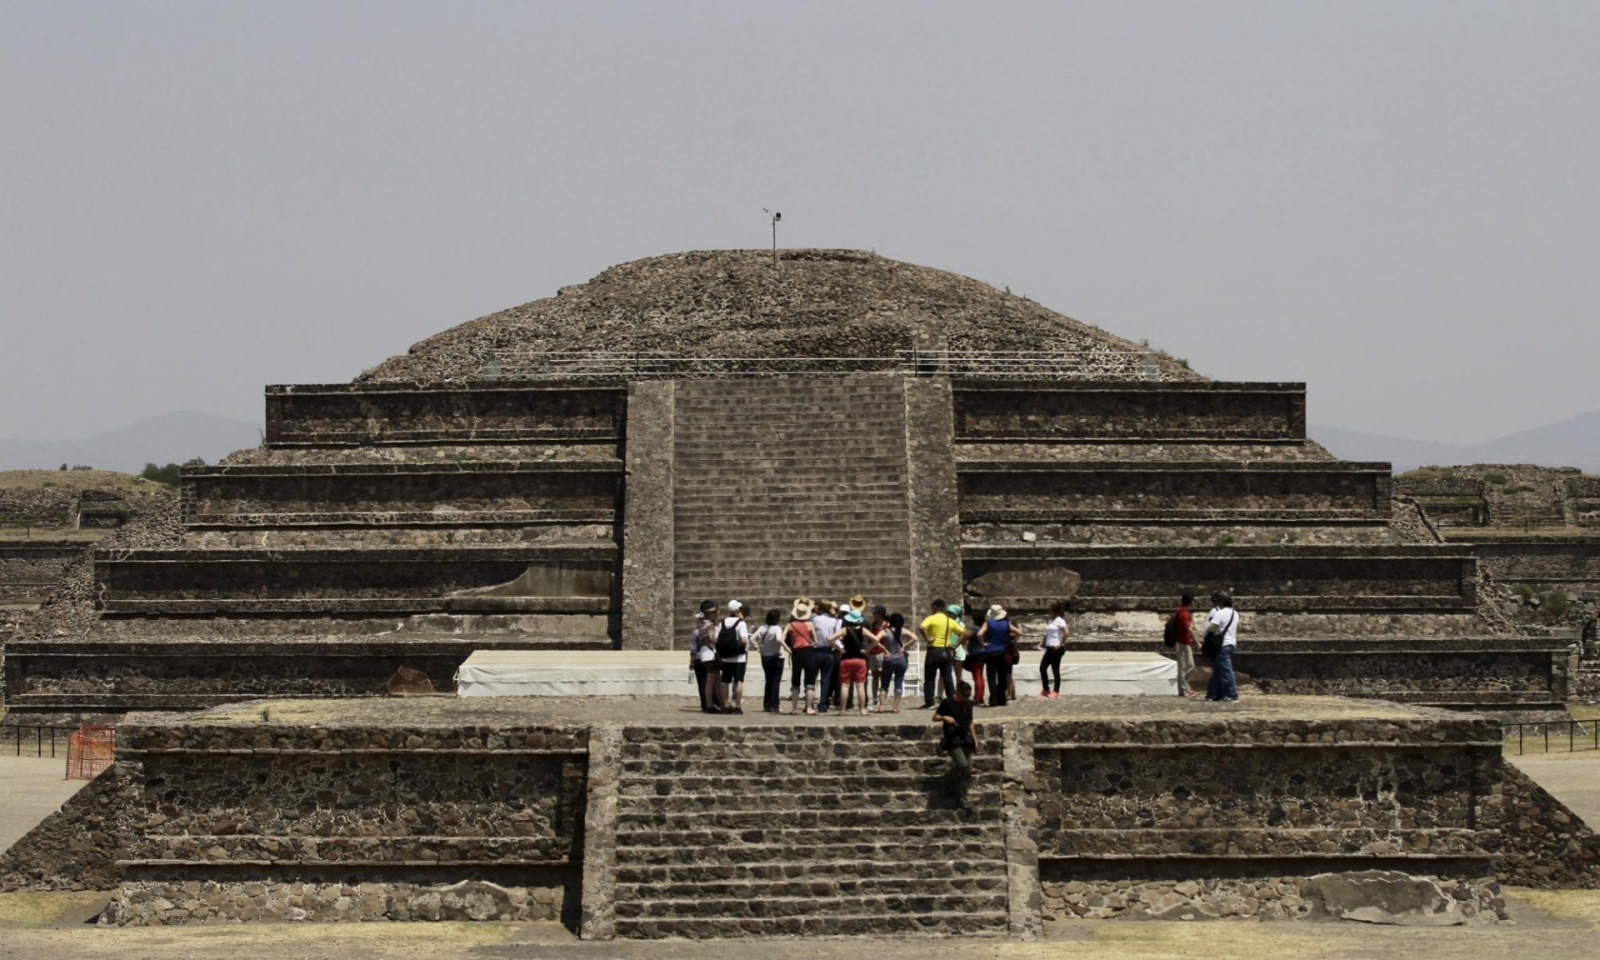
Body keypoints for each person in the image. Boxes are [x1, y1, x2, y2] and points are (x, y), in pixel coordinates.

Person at [933, 680, 978, 813]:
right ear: (958, 693)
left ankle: (962, 796)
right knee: (962, 765)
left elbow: (970, 722)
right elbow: (934, 717)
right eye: (964, 695)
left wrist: (975, 738)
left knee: (968, 770)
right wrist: (944, 718)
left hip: (965, 739)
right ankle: (947, 780)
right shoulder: (947, 703)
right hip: (952, 739)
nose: (966, 698)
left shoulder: (969, 704)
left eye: (968, 696)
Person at [919, 598, 960, 709]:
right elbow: (964, 633)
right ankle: (952, 701)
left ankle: (929, 702)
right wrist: (956, 645)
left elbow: (921, 627)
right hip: (946, 650)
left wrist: (927, 639)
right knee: (948, 677)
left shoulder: (931, 618)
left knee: (930, 678)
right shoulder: (949, 620)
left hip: (933, 650)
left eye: (932, 606)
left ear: (936, 607)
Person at [1204, 591, 1241, 702]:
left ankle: (1232, 694)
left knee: (1226, 671)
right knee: (1218, 670)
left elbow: (1211, 628)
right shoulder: (1235, 613)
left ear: (1222, 602)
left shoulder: (1220, 613)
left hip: (1222, 644)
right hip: (1231, 643)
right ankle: (1213, 693)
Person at [785, 598, 819, 714]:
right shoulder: (809, 624)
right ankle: (809, 707)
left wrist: (788, 649)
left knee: (795, 680)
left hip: (796, 652)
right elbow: (816, 640)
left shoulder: (790, 625)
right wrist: (812, 644)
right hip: (808, 651)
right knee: (809, 681)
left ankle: (794, 708)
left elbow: (781, 640)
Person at [715, 600, 750, 714]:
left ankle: (724, 706)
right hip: (739, 657)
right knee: (739, 680)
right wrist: (738, 647)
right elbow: (744, 639)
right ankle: (737, 706)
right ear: (738, 610)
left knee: (725, 681)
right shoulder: (741, 623)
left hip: (725, 656)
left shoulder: (722, 622)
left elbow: (717, 639)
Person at [976, 604, 1012, 707]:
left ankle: (993, 700)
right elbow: (1019, 632)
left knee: (991, 677)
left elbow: (979, 634)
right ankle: (1002, 699)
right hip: (1003, 651)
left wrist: (983, 644)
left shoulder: (988, 623)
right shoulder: (1006, 624)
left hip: (991, 651)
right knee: (1002, 676)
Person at [811, 600, 842, 716]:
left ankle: (809, 703)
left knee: (812, 678)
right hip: (829, 651)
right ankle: (823, 703)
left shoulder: (815, 620)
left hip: (817, 650)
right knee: (826, 679)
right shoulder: (835, 621)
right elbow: (836, 638)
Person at [689, 599, 719, 713]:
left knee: (702, 683)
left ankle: (705, 704)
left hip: (697, 658)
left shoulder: (697, 630)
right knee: (711, 681)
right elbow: (713, 640)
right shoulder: (710, 627)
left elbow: (693, 648)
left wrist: (691, 662)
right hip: (708, 657)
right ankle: (712, 703)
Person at [839, 609, 870, 716]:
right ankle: (862, 709)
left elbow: (830, 638)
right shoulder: (863, 630)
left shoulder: (845, 630)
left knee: (845, 685)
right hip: (860, 659)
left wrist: (839, 649)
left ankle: (842, 710)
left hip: (846, 659)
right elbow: (875, 639)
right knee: (860, 685)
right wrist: (867, 649)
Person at [876, 612, 910, 712]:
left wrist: (884, 649)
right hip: (900, 658)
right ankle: (895, 707)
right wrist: (904, 647)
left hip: (889, 658)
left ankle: (881, 706)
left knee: (884, 683)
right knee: (898, 682)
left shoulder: (885, 631)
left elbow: (875, 640)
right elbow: (915, 638)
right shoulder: (902, 631)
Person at [755, 607, 786, 713]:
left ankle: (767, 704)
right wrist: (786, 648)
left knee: (768, 681)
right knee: (776, 682)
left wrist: (759, 649)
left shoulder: (762, 628)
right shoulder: (777, 628)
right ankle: (774, 705)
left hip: (765, 656)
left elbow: (752, 638)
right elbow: (778, 639)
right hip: (776, 656)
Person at [1168, 592, 1197, 698]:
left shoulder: (1183, 612)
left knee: (1189, 666)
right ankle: (1184, 689)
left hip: (1185, 642)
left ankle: (1184, 687)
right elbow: (1189, 628)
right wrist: (1197, 641)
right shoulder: (1184, 613)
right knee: (1184, 667)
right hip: (1182, 642)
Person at [1039, 600, 1068, 698]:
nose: (1049, 613)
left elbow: (1066, 633)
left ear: (1055, 612)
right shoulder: (1050, 621)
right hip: (1049, 647)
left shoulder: (1060, 620)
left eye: (1051, 611)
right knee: (1042, 668)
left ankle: (1056, 691)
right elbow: (1047, 634)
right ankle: (1046, 689)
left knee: (1055, 669)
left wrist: (1060, 644)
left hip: (1057, 648)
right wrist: (1042, 643)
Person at [864, 601, 886, 709]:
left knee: (883, 676)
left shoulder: (886, 624)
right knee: (875, 676)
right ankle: (874, 698)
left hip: (882, 652)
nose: (873, 615)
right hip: (873, 652)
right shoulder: (872, 624)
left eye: (875, 613)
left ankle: (882, 698)